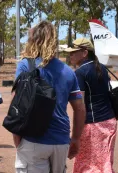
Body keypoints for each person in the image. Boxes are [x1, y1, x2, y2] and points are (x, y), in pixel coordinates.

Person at [12, 21, 87, 173]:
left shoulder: (25, 65)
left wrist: (17, 139)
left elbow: (17, 105)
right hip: (60, 141)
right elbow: (80, 108)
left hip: (33, 140)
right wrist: (76, 139)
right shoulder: (68, 71)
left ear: (33, 41)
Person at [64, 38, 118, 173]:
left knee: (87, 165)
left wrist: (75, 133)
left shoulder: (80, 73)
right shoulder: (102, 68)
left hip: (93, 126)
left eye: (74, 52)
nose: (70, 55)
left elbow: (80, 106)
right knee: (104, 162)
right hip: (109, 121)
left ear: (84, 53)